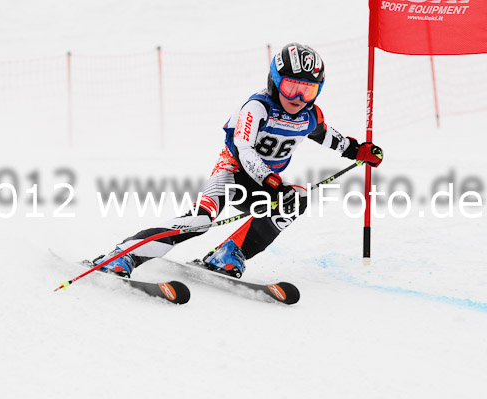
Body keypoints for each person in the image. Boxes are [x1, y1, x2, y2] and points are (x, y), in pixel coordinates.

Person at [90, 43, 383, 279]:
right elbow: (245, 151)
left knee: (297, 200)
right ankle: (125, 253)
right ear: (275, 80)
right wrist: (273, 183)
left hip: (267, 184)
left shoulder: (308, 115)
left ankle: (230, 252)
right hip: (232, 175)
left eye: (307, 90)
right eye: (291, 86)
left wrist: (357, 151)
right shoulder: (257, 107)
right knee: (201, 220)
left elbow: (327, 135)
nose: (297, 97)